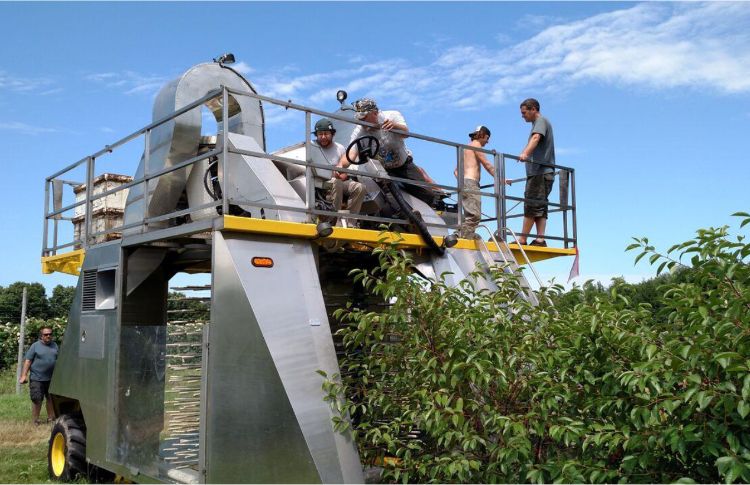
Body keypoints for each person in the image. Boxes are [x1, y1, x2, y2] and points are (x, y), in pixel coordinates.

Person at [337, 98, 437, 206]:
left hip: (403, 165)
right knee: (392, 199)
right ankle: (401, 218)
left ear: (374, 113)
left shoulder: (392, 115)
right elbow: (351, 154)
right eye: (359, 119)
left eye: (364, 118)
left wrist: (395, 126)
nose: (362, 122)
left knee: (428, 194)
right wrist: (340, 165)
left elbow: (406, 134)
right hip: (384, 171)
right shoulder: (360, 131)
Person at [454, 125, 509, 239]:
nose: (487, 142)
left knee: (470, 215)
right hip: (471, 183)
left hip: (464, 183)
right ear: (482, 135)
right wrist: (501, 179)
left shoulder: (465, 148)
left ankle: (465, 236)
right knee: (475, 216)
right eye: (487, 138)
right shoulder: (476, 145)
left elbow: (456, 171)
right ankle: (457, 237)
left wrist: (463, 183)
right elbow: (487, 165)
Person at [312, 118, 365, 227]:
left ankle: (350, 222)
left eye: (326, 134)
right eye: (320, 134)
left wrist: (341, 174)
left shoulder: (339, 148)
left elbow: (344, 172)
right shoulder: (311, 147)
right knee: (336, 182)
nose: (323, 137)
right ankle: (332, 222)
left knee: (359, 187)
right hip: (318, 182)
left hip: (337, 180)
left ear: (332, 134)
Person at [517, 98, 555, 247]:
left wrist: (525, 153)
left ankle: (522, 239)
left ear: (533, 109)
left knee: (532, 204)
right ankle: (540, 239)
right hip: (543, 172)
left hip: (539, 172)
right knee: (540, 205)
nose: (522, 116)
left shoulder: (541, 121)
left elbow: (536, 137)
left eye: (524, 112)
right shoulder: (540, 122)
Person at [18, 327, 59, 425]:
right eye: (46, 334)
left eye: (50, 334)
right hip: (37, 378)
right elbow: (28, 361)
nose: (48, 336)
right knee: (37, 399)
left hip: (52, 378)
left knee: (50, 398)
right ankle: (35, 420)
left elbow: (58, 360)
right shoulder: (35, 346)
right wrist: (23, 375)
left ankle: (51, 419)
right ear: (41, 336)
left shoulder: (55, 345)